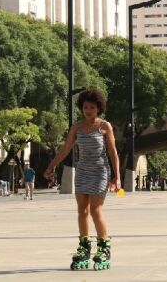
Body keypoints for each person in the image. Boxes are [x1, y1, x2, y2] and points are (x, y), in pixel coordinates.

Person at [44, 88, 121, 271]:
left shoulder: (104, 126)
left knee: (95, 209)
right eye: (85, 107)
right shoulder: (77, 127)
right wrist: (52, 165)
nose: (88, 110)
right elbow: (65, 149)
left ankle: (104, 248)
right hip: (82, 171)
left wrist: (117, 176)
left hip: (100, 171)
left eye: (92, 107)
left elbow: (112, 152)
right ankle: (84, 247)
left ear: (98, 108)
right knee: (82, 210)